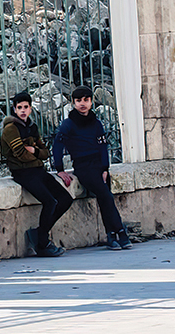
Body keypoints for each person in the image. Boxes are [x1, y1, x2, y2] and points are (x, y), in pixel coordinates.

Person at [52, 86, 132, 251]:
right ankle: (120, 232)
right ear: (73, 103)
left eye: (86, 100)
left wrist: (105, 168)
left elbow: (103, 147)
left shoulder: (96, 123)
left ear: (91, 102)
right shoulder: (68, 124)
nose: (82, 104)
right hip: (83, 167)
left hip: (99, 167)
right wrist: (59, 168)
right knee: (106, 196)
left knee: (105, 199)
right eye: (79, 100)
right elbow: (57, 145)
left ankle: (111, 235)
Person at [1, 91, 71, 257]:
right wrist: (36, 152)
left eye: (26, 107)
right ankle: (42, 243)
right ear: (14, 109)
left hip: (38, 170)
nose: (23, 110)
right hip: (23, 172)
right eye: (19, 107)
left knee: (66, 199)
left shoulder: (32, 127)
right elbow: (20, 154)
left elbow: (45, 152)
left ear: (31, 109)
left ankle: (39, 233)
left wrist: (34, 150)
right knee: (50, 201)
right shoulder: (10, 129)